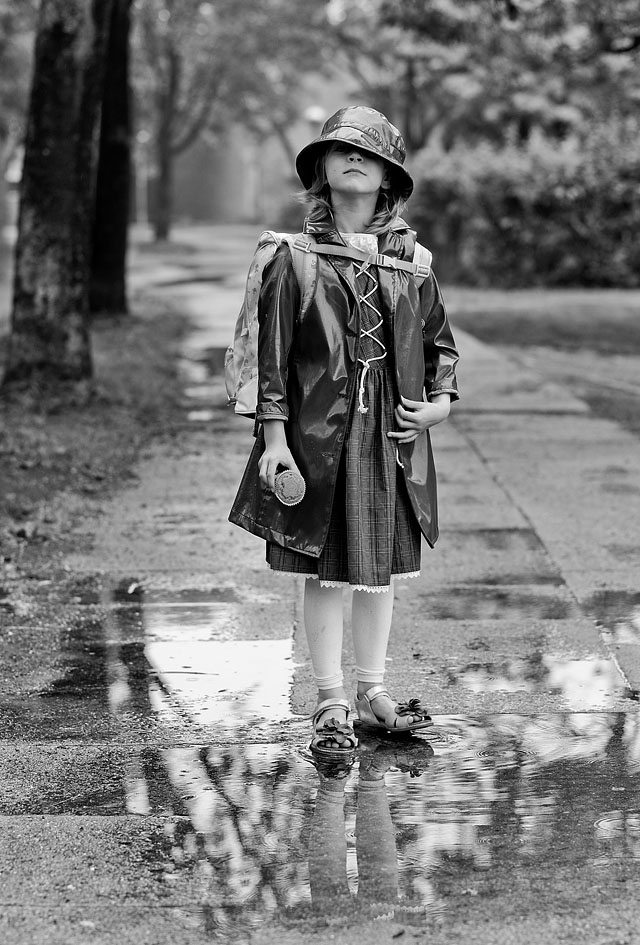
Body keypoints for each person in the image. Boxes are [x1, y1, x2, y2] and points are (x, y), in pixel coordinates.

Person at [229, 105, 459, 761]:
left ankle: (374, 692)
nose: (352, 158)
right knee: (326, 569)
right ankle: (330, 697)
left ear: (388, 176)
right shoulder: (292, 258)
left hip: (389, 432)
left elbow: (443, 348)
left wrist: (440, 406)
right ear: (322, 174)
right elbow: (272, 358)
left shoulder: (414, 262)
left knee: (378, 568)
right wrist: (274, 440)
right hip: (315, 434)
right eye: (339, 151)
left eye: (367, 152)